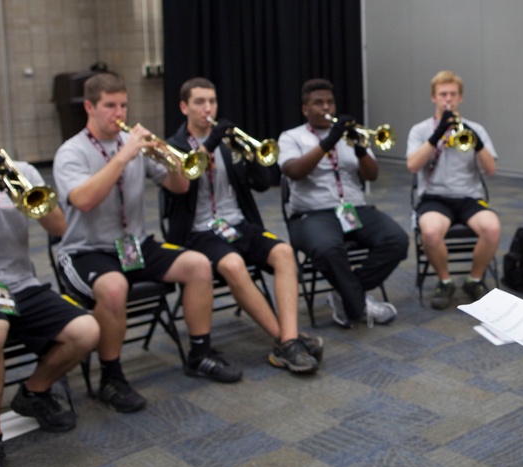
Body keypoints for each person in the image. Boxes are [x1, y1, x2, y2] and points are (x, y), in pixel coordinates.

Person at [53, 73, 242, 415]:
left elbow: (180, 188)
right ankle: (111, 377)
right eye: (110, 106)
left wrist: (170, 161)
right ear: (89, 107)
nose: (119, 112)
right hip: (86, 250)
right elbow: (83, 200)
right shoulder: (72, 152)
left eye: (123, 104)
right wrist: (124, 156)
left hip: (136, 244)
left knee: (199, 265)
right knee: (113, 289)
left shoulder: (135, 145)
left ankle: (199, 354)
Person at [0, 93, 99, 467]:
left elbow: (58, 227)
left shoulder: (24, 171)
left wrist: (27, 195)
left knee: (88, 331)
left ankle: (33, 391)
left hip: (21, 284)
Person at [163, 78, 322, 374]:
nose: (207, 108)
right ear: (184, 107)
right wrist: (208, 146)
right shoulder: (174, 146)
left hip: (237, 223)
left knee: (285, 253)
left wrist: (249, 157)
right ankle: (288, 341)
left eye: (212, 101)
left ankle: (288, 340)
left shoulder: (228, 143)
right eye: (200, 102)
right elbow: (179, 189)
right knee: (234, 265)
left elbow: (262, 185)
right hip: (198, 232)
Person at [278, 78, 407, 327]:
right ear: (305, 109)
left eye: (329, 102)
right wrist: (328, 142)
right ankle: (358, 304)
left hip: (354, 209)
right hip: (312, 213)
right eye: (318, 103)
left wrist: (359, 148)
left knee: (397, 241)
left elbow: (372, 175)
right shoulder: (290, 137)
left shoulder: (351, 135)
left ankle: (345, 294)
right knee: (327, 250)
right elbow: (294, 171)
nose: (326, 108)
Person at [406, 70, 500, 309]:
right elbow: (412, 166)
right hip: (435, 198)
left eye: (453, 94)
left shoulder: (475, 128)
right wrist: (436, 136)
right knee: (429, 233)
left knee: (492, 227)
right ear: (433, 98)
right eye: (442, 94)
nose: (448, 99)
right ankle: (445, 281)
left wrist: (477, 142)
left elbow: (491, 170)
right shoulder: (420, 130)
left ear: (460, 99)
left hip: (470, 197)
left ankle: (474, 280)